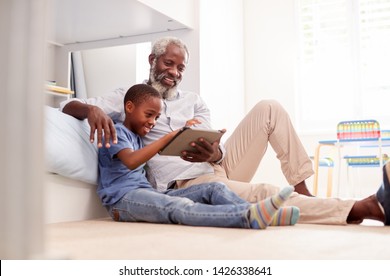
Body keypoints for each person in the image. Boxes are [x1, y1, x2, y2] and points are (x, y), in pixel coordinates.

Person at [61, 36, 389, 226]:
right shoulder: (128, 96)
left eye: (180, 68)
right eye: (168, 64)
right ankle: (361, 208)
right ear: (152, 60)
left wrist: (215, 151)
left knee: (269, 107)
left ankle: (303, 190)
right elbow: (68, 106)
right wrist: (90, 110)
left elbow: (216, 146)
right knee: (262, 193)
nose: (174, 72)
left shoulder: (194, 101)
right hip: (187, 181)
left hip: (218, 164)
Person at [97, 83, 300, 229]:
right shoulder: (115, 131)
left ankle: (265, 214)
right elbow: (131, 161)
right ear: (129, 107)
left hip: (148, 194)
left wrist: (186, 135)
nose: (152, 122)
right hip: (122, 202)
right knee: (180, 207)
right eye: (149, 114)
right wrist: (170, 136)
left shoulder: (138, 137)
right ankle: (246, 216)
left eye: (156, 117)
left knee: (214, 188)